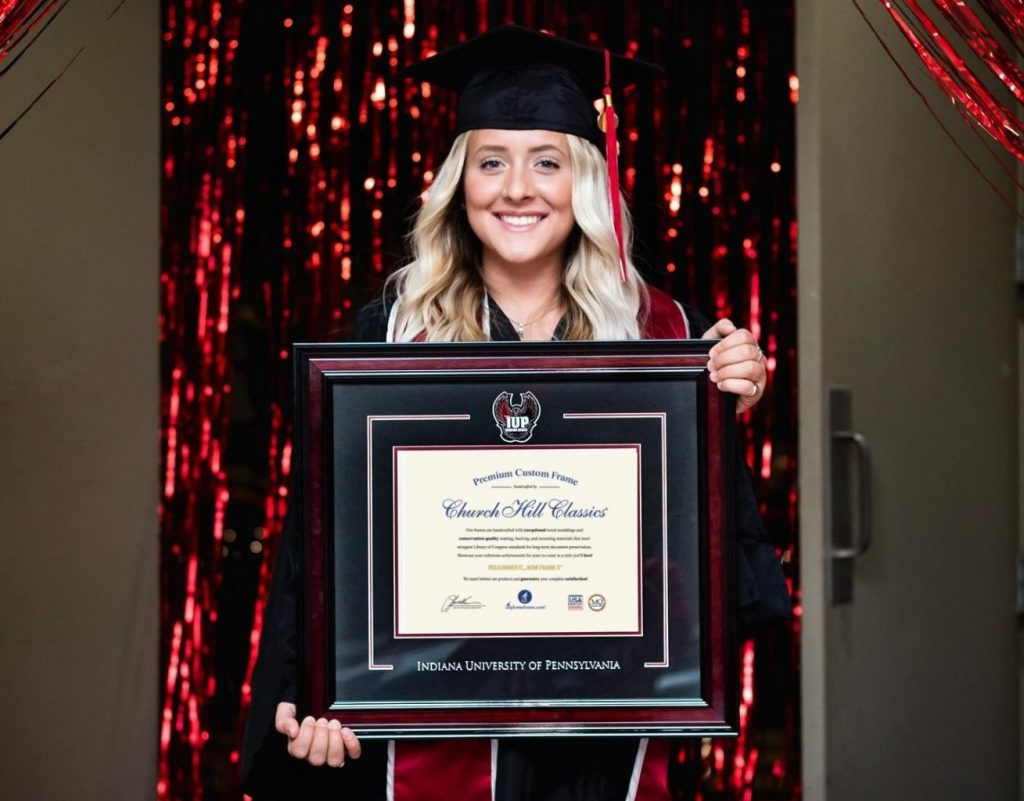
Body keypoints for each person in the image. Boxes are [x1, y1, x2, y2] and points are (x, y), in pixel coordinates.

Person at [242, 25, 790, 801]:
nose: (517, 189)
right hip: (430, 717)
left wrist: (729, 392)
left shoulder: (664, 335)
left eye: (548, 162)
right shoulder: (390, 337)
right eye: (491, 161)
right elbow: (322, 547)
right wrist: (318, 694)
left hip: (600, 725)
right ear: (459, 184)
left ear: (588, 183)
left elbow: (708, 556)